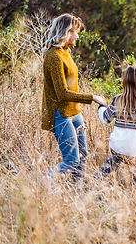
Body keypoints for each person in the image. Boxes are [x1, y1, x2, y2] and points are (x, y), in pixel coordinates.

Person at [42, 13, 106, 180]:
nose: (77, 36)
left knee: (82, 159)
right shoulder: (53, 56)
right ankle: (43, 183)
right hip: (61, 115)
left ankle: (79, 197)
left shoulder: (65, 52)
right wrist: (92, 98)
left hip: (75, 113)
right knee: (71, 160)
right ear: (65, 32)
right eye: (74, 32)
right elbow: (62, 93)